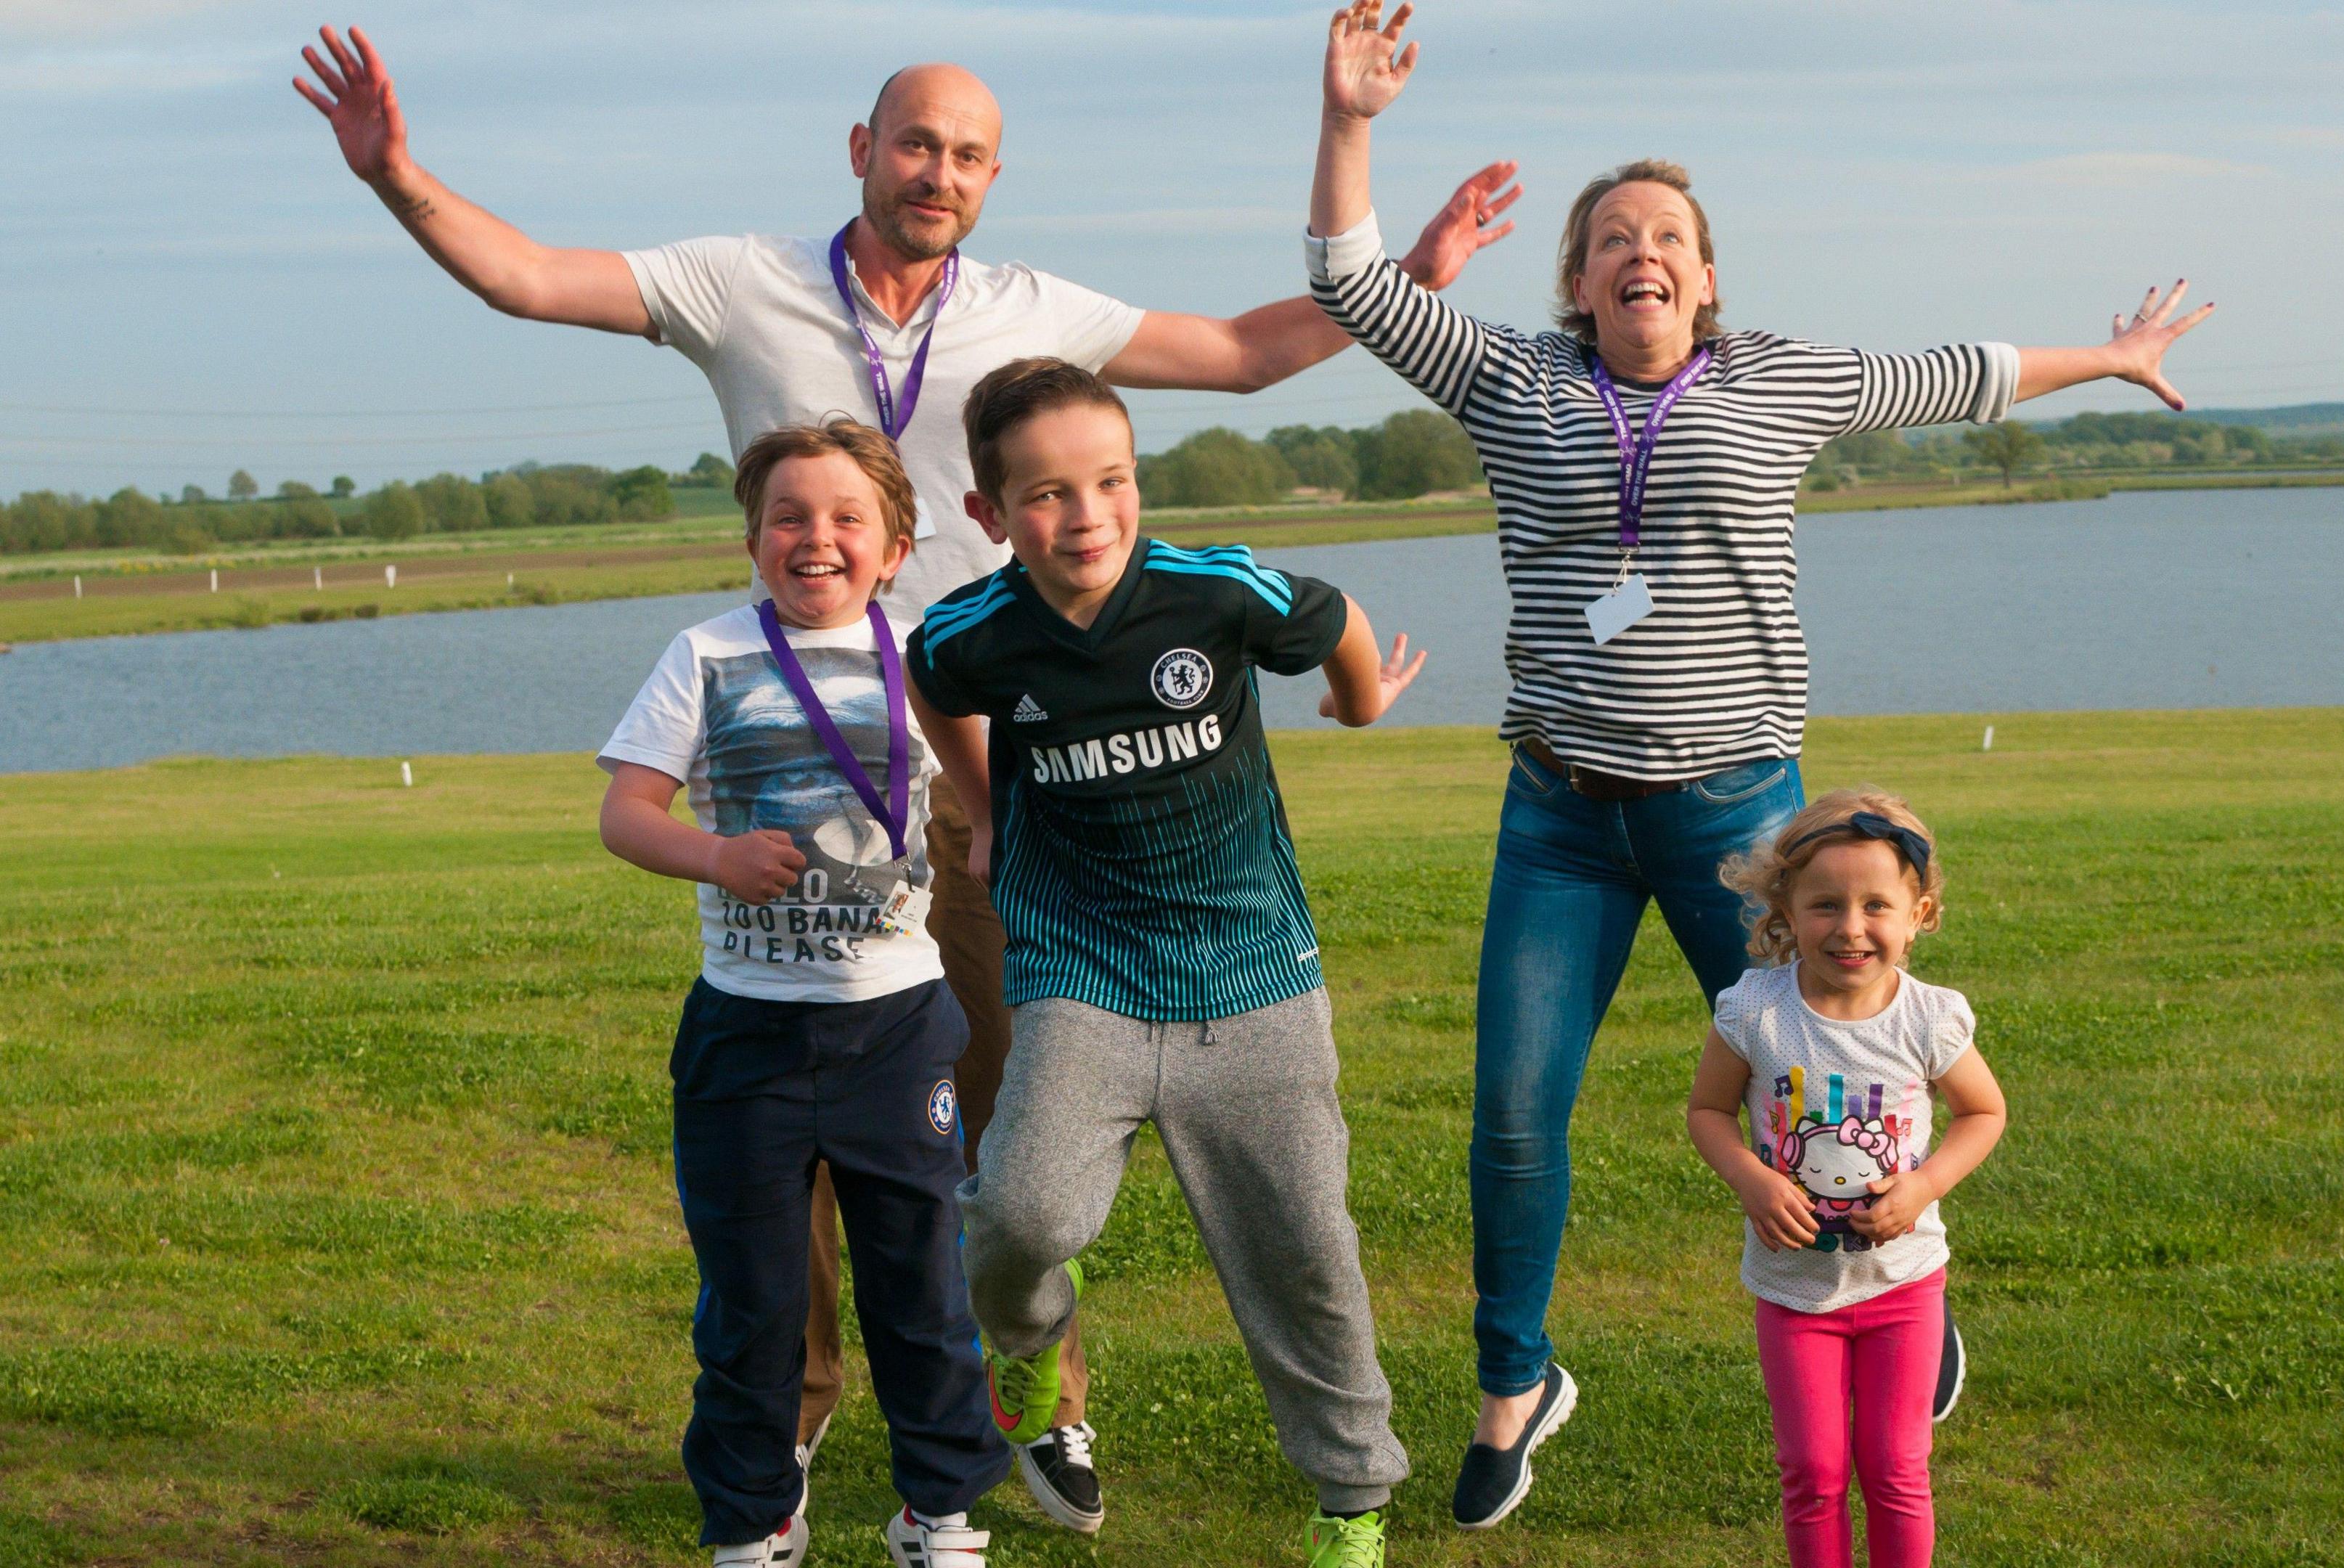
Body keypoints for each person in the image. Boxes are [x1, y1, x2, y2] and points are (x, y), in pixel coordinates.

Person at [294, 25, 1514, 1530]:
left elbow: (1250, 354)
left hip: (997, 763)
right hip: (803, 753)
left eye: (970, 154)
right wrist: (398, 176)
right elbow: (528, 276)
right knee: (797, 1098)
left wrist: (1418, 280)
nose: (940, 171)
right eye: (916, 142)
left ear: (995, 179)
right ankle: (801, 1411)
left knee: (1010, 1116)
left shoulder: (1028, 309)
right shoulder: (740, 285)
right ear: (860, 149)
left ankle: (1036, 1398)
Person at [1302, 1, 2212, 1528]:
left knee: (1827, 1077)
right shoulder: (1509, 381)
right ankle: (1516, 1386)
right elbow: (1341, 278)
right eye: (1609, 238)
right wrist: (1352, 123)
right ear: (1578, 282)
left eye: (1666, 235)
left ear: (1707, 278)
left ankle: (1892, 1293)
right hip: (1564, 819)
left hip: (1743, 821)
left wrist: (2111, 357)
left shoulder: (1779, 378)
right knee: (1516, 1114)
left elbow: (1962, 373)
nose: (1638, 251)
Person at [904, 358, 1425, 1568]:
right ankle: (1029, 1364)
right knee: (1021, 1215)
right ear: (990, 517)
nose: (1084, 516)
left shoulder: (1212, 591)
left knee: (1307, 1257)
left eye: (1110, 482)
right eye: (1044, 496)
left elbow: (1335, 611)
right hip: (1081, 974)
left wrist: (1359, 702)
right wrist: (982, 812)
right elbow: (935, 689)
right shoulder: (973, 634)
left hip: (1253, 979)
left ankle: (1351, 1507)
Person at [596, 420, 1001, 1568]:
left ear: (894, 545)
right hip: (748, 1035)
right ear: (751, 537)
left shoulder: (924, 653)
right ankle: (754, 1518)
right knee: (754, 1304)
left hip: (899, 1027)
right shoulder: (705, 654)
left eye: (844, 519)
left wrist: (999, 845)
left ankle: (940, 1513)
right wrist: (716, 857)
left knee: (923, 1292)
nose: (814, 538)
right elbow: (627, 812)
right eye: (787, 516)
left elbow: (982, 794)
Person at [1687, 791, 2006, 1568]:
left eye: (1877, 905)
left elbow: (1983, 1113)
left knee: (1897, 1471)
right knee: (1814, 1473)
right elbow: (1708, 1112)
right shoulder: (1754, 1012)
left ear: (1920, 914)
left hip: (1902, 1287)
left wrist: (1924, 1187)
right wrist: (1752, 1181)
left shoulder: (1927, 1019)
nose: (1851, 927)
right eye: (1826, 904)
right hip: (1793, 1291)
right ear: (1785, 911)